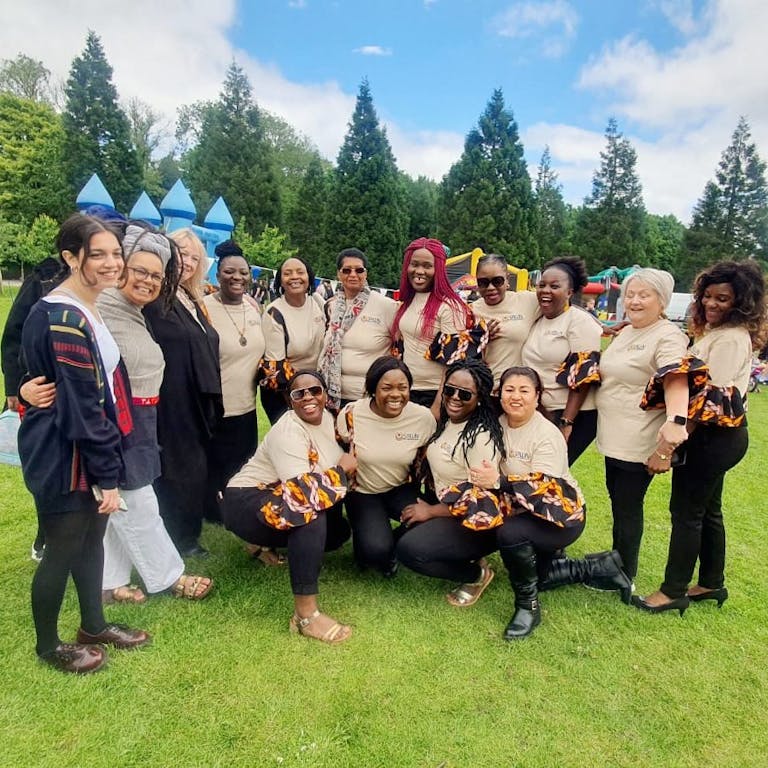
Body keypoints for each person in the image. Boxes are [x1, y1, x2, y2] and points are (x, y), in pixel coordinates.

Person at [17, 214, 149, 674]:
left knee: (92, 539)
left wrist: (26, 387)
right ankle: (48, 645)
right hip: (63, 453)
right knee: (63, 546)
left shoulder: (85, 307)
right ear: (72, 258)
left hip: (80, 445)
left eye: (116, 253)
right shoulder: (63, 316)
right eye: (98, 255)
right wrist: (107, 474)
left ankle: (93, 624)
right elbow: (85, 405)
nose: (112, 263)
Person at [634, 261, 767, 615]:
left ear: (741, 302)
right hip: (720, 437)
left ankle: (673, 590)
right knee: (709, 511)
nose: (711, 303)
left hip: (713, 438)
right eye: (707, 296)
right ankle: (711, 582)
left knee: (687, 513)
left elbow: (707, 403)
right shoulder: (719, 333)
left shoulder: (730, 339)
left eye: (722, 298)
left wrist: (666, 448)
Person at [221, 371, 356, 644]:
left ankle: (261, 544)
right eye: (298, 393)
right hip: (246, 500)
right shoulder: (288, 431)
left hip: (275, 496)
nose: (308, 397)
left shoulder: (329, 419)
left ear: (325, 395)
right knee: (309, 517)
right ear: (290, 400)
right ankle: (306, 616)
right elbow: (301, 496)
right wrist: (342, 471)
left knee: (337, 533)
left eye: (314, 391)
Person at [470, 367, 599, 639]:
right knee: (539, 573)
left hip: (560, 515)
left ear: (538, 396)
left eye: (524, 390)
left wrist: (499, 481)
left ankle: (528, 606)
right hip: (521, 509)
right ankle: (599, 567)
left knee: (510, 533)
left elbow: (544, 491)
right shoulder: (498, 424)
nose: (515, 396)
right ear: (500, 394)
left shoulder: (547, 434)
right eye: (509, 390)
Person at [593, 269, 698, 585]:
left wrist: (674, 427)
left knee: (627, 506)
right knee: (617, 500)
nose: (634, 301)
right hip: (614, 435)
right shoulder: (628, 330)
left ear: (662, 301)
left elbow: (676, 378)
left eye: (644, 295)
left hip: (638, 440)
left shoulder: (668, 336)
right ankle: (616, 559)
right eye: (630, 294)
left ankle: (624, 572)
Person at [396, 359, 504, 606]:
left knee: (410, 551)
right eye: (449, 390)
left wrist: (431, 511)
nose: (454, 398)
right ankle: (466, 555)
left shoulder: (481, 438)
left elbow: (481, 500)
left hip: (475, 521)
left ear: (480, 398)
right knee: (396, 540)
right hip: (450, 507)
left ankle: (476, 575)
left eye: (464, 394)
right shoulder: (450, 421)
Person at [144, 229, 223, 557]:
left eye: (194, 257)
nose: (186, 262)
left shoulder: (190, 298)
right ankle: (180, 537)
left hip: (197, 395)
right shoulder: (154, 297)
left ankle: (186, 529)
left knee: (194, 463)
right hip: (171, 395)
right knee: (178, 466)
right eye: (180, 252)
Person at [337, 357, 436, 576]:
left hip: (400, 488)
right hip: (362, 492)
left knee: (430, 524)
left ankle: (393, 541)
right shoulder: (351, 415)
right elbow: (338, 448)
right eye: (386, 388)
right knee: (374, 552)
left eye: (403, 387)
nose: (396, 394)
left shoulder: (423, 418)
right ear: (373, 389)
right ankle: (375, 544)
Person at [203, 240, 264, 522]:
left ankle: (235, 506)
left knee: (242, 462)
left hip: (247, 404)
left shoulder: (253, 309)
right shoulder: (203, 308)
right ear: (217, 275)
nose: (236, 277)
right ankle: (211, 510)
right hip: (215, 405)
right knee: (213, 463)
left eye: (243, 272)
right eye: (229, 272)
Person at [521, 256, 602, 465]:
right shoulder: (540, 319)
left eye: (554, 286)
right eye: (542, 285)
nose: (546, 290)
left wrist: (566, 422)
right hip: (542, 410)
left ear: (569, 292)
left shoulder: (579, 322)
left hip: (572, 413)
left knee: (552, 472)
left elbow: (583, 378)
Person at [391, 237, 481, 408]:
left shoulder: (449, 306)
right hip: (406, 388)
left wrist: (438, 406)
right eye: (414, 264)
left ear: (438, 269)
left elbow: (453, 362)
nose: (419, 271)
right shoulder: (407, 301)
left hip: (433, 393)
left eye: (427, 266)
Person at [318, 248, 398, 411]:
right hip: (333, 396)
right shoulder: (331, 306)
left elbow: (399, 347)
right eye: (347, 270)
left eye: (359, 270)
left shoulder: (386, 306)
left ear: (366, 273)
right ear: (338, 274)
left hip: (370, 397)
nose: (353, 275)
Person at [260, 256, 326, 424]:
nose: (294, 277)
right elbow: (276, 367)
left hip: (316, 388)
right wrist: (303, 396)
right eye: (287, 273)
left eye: (300, 272)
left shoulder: (318, 302)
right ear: (280, 281)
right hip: (286, 393)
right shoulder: (274, 313)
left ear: (309, 277)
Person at [470, 253, 539, 387]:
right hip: (483, 389)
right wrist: (481, 338)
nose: (490, 288)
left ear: (507, 279)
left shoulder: (527, 301)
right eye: (483, 283)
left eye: (497, 281)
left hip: (517, 390)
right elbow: (461, 354)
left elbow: (558, 303)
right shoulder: (469, 311)